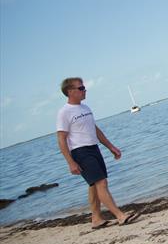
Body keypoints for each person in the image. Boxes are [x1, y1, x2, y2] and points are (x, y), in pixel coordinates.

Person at [56, 77, 139, 229]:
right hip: (80, 152)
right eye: (80, 88)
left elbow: (94, 129)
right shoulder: (64, 112)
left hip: (94, 148)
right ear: (70, 92)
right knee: (101, 182)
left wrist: (110, 146)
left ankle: (96, 219)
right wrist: (70, 162)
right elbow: (61, 139)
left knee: (94, 185)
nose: (84, 90)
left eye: (84, 87)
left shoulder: (85, 108)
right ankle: (120, 216)